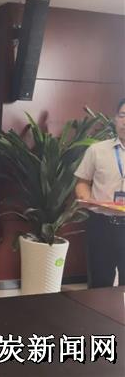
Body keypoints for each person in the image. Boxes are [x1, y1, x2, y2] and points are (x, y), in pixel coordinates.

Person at [75, 98, 125, 288]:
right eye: (123, 115)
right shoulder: (96, 150)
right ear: (115, 118)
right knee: (99, 284)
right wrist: (85, 197)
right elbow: (82, 182)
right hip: (101, 226)